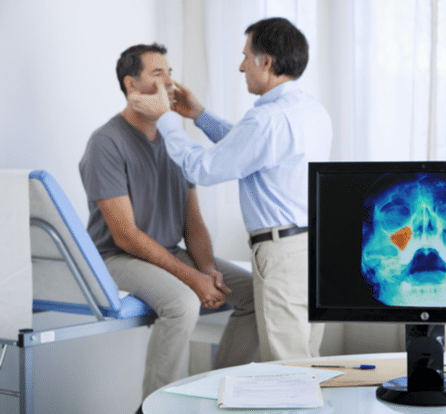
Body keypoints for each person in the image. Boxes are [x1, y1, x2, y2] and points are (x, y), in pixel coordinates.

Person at [129, 17, 333, 362]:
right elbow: (250, 149)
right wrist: (199, 115)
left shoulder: (267, 120)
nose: (241, 66)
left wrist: (166, 118)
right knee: (306, 359)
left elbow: (203, 169)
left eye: (245, 56)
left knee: (288, 368)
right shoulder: (310, 110)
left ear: (265, 62)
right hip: (314, 250)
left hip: (282, 255)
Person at [78, 44, 259, 411]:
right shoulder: (105, 143)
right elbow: (125, 234)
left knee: (256, 295)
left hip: (166, 251)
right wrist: (193, 280)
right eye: (157, 74)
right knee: (182, 303)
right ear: (132, 84)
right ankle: (155, 407)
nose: (169, 82)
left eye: (170, 72)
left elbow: (193, 222)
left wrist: (207, 269)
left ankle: (218, 395)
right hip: (115, 256)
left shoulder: (175, 143)